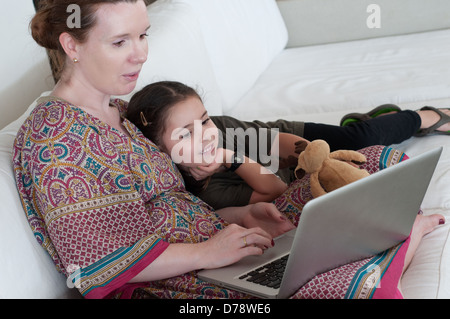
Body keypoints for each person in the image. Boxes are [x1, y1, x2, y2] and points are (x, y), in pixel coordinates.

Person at [13, 0, 444, 299]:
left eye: (143, 35)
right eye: (120, 42)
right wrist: (208, 251)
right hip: (171, 286)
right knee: (336, 286)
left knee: (368, 165)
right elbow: (96, 264)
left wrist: (235, 218)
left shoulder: (123, 111)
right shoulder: (55, 139)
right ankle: (396, 245)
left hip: (218, 247)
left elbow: (174, 203)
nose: (141, 54)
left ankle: (384, 241)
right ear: (72, 45)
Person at [127, 80, 450, 209]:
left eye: (205, 120)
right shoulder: (203, 190)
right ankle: (366, 123)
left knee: (359, 140)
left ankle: (427, 116)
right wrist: (231, 158)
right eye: (186, 134)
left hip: (280, 143)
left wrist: (312, 154)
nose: (206, 135)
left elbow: (278, 143)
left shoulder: (221, 128)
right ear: (158, 149)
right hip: (275, 176)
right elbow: (275, 191)